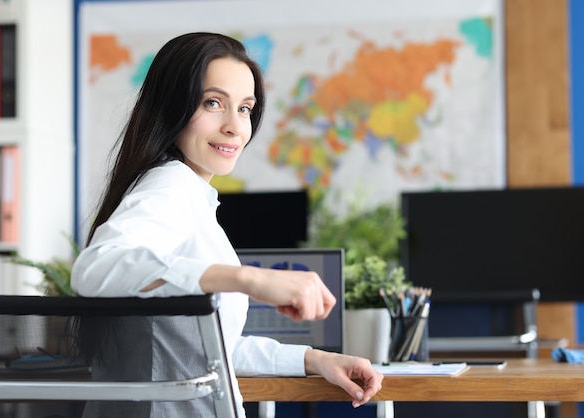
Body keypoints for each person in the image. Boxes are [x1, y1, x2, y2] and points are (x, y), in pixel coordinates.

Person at [71, 32, 383, 418]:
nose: (235, 127)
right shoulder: (171, 186)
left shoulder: (189, 194)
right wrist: (247, 278)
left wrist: (314, 359)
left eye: (245, 108)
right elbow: (95, 268)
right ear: (172, 108)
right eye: (213, 103)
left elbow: (207, 348)